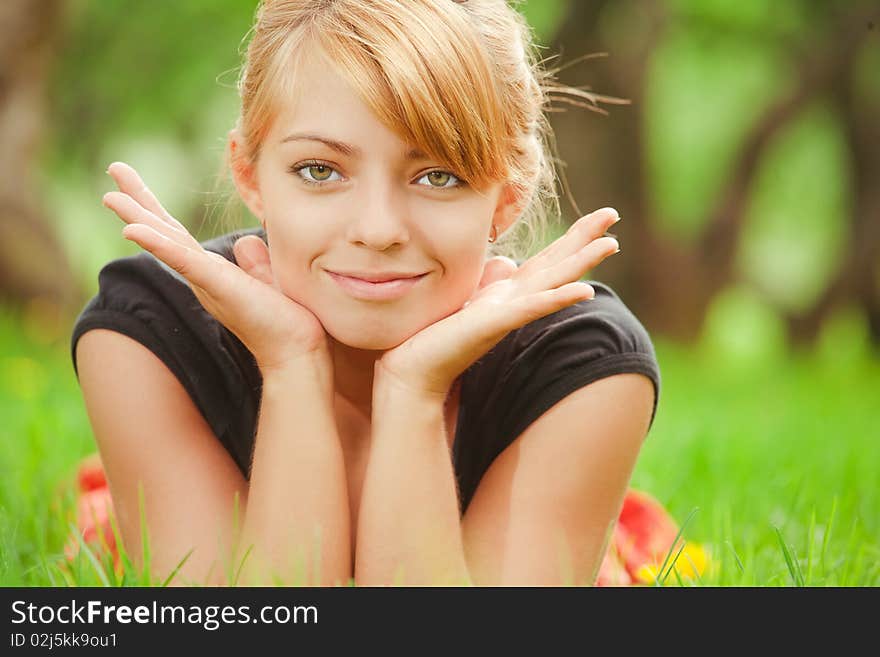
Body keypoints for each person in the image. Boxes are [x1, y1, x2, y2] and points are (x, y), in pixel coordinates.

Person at [70, 0, 661, 587]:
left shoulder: (585, 363)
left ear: (507, 197)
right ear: (250, 175)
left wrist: (413, 392)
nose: (377, 230)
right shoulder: (145, 336)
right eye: (320, 170)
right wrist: (290, 365)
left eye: (439, 175)